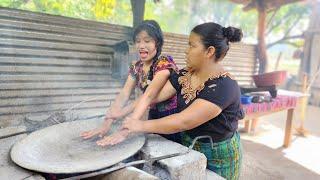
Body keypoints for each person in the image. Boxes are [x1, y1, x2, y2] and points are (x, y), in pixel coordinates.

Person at [122, 22, 244, 180]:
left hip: (219, 156)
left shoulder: (224, 86)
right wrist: (122, 114)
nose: (186, 51)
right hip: (188, 147)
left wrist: (139, 125)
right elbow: (152, 97)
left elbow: (183, 121)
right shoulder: (186, 74)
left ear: (209, 51)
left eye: (192, 46)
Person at [81, 19, 180, 144]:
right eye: (138, 41)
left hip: (170, 118)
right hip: (152, 117)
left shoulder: (164, 62)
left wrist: (125, 130)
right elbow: (124, 94)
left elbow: (148, 96)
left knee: (170, 149)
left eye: (147, 41)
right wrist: (107, 122)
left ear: (157, 43)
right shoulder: (136, 67)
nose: (141, 45)